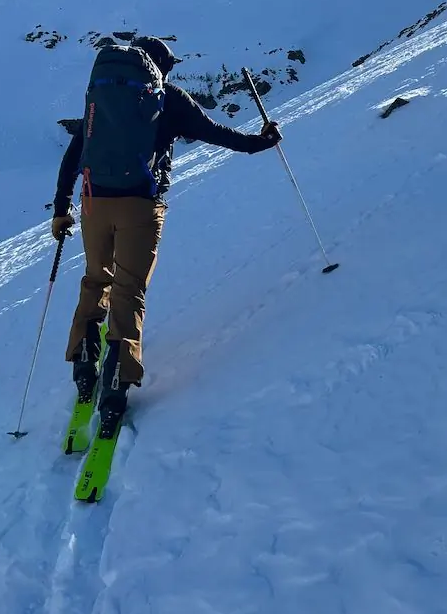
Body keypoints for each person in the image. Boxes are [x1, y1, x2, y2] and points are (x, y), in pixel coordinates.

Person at [50, 36, 281, 423]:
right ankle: (116, 382)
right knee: (128, 289)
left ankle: (84, 363)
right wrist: (263, 141)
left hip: (94, 204)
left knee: (95, 279)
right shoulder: (168, 97)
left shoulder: (103, 101)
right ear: (159, 66)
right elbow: (219, 134)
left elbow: (75, 154)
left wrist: (61, 209)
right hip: (141, 205)